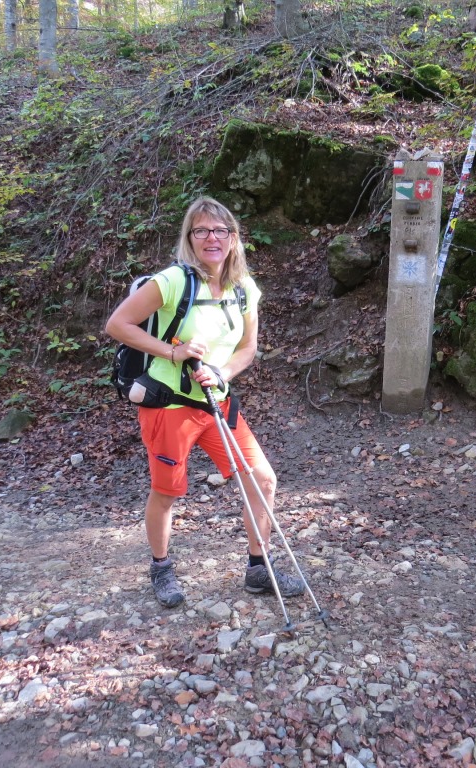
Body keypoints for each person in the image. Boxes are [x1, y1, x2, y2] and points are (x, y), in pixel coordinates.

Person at [105, 197, 305, 608]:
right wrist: (172, 352)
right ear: (190, 238)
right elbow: (118, 325)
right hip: (169, 404)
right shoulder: (173, 281)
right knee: (168, 490)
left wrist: (222, 373)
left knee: (261, 478)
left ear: (233, 238)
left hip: (215, 400)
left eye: (220, 231)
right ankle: (161, 567)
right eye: (201, 231)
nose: (211, 238)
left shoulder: (245, 288)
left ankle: (258, 569)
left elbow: (247, 349)